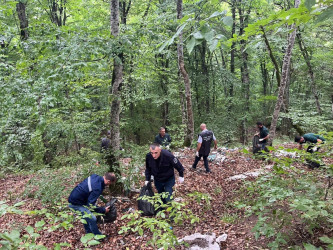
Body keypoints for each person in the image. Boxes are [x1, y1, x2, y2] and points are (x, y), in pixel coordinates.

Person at [68, 172, 117, 237]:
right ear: (108, 181)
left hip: (78, 199)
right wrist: (103, 210)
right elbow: (90, 206)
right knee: (92, 218)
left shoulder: (95, 176)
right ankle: (98, 237)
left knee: (86, 216)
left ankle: (89, 233)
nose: (109, 185)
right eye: (110, 183)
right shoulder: (97, 188)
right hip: (76, 204)